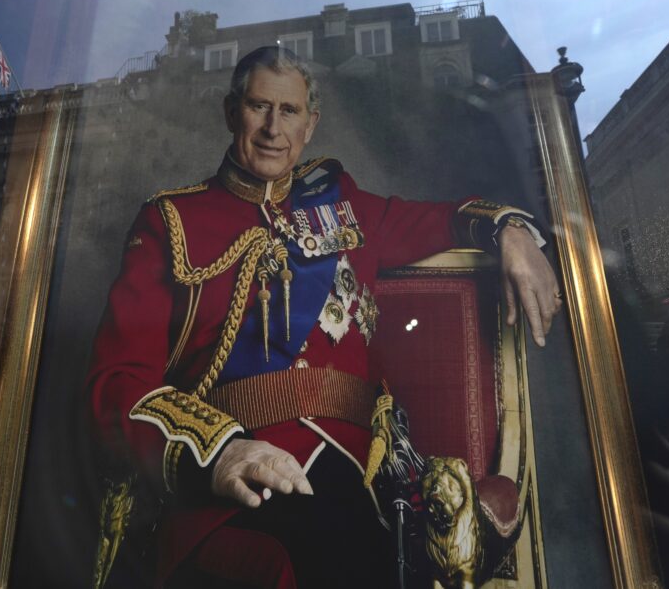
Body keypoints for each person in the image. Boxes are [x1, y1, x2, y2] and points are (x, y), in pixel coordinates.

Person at [88, 46, 561, 587]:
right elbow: (115, 384)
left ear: (310, 124)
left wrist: (508, 229)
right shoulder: (171, 221)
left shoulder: (343, 204)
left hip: (360, 474)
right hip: (237, 476)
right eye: (258, 107)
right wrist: (217, 453)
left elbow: (437, 219)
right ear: (229, 112)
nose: (272, 128)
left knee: (367, 543)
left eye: (288, 111)